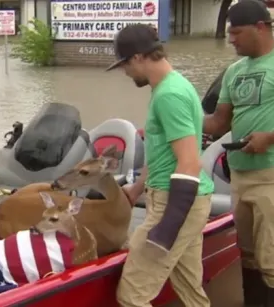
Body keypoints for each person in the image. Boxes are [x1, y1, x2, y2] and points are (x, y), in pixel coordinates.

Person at [203, 0, 274, 306]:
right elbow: (218, 123)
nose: (231, 40)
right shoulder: (234, 71)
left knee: (272, 259)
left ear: (261, 27)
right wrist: (177, 117)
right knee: (249, 255)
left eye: (237, 32)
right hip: (240, 174)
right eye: (230, 33)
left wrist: (273, 137)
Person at [106, 24, 214, 307]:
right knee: (190, 290)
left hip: (175, 202)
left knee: (132, 295)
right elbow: (162, 153)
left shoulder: (169, 96)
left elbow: (190, 161)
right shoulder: (172, 86)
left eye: (125, 64)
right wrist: (137, 188)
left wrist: (167, 226)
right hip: (185, 199)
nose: (124, 72)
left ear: (139, 57)